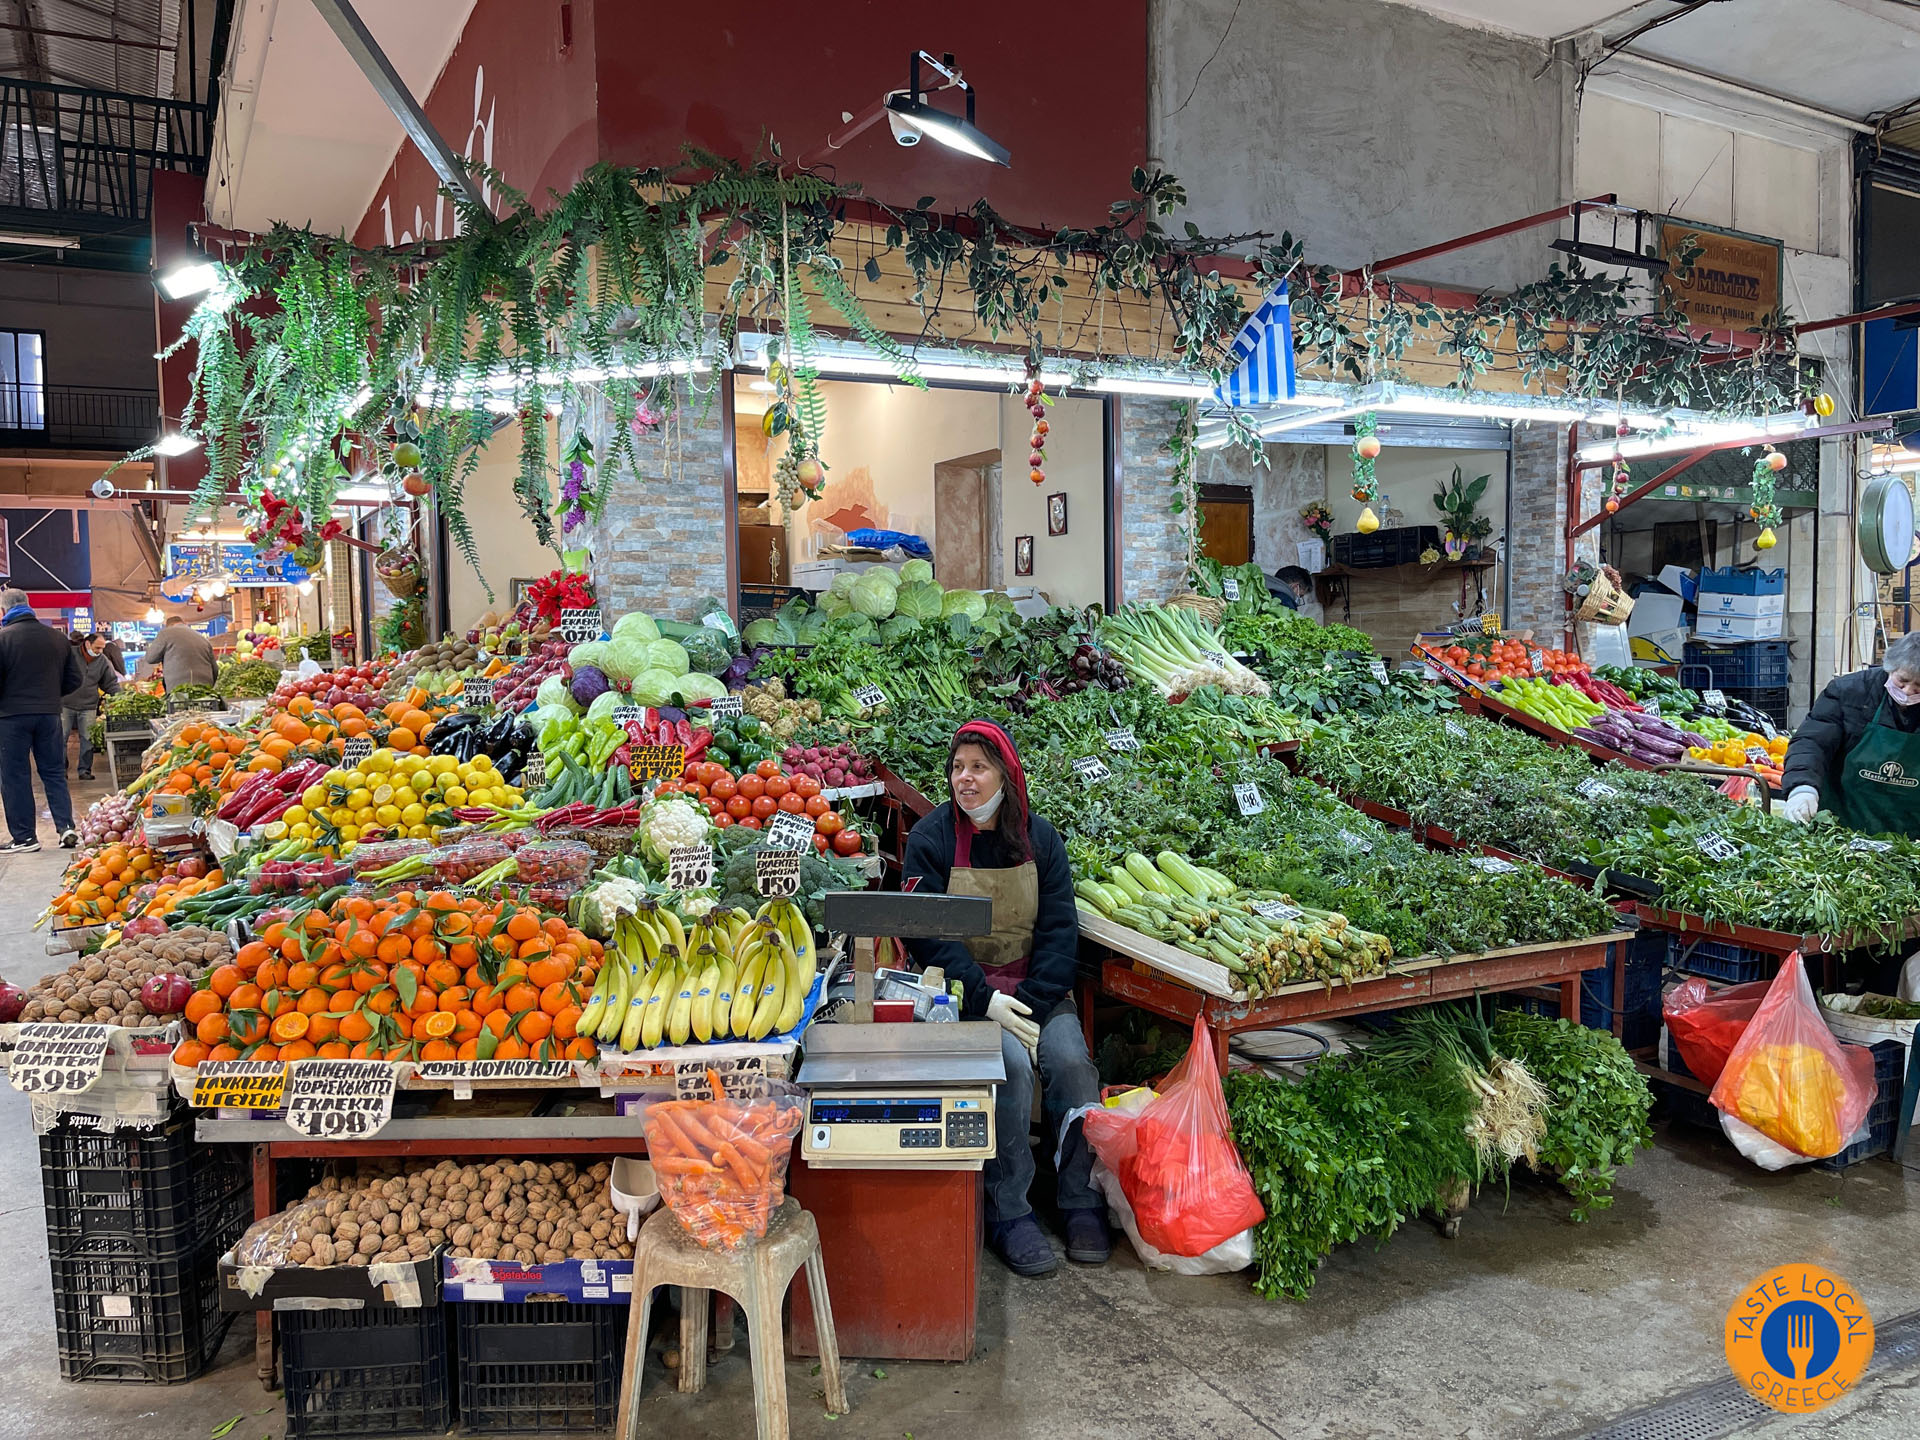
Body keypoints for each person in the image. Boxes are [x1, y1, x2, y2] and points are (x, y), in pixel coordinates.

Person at [901, 720, 1107, 1276]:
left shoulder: (1042, 840)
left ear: (1005, 775)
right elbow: (925, 934)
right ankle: (1009, 1210)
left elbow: (1061, 931)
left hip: (1039, 991)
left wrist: (1035, 1005)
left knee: (1069, 1064)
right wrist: (985, 999)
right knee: (1010, 1070)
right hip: (965, 997)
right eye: (957, 767)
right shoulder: (931, 839)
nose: (964, 779)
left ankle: (1077, 1199)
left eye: (978, 767)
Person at [1781, 632, 1920, 837]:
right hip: (1841, 831)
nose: (1908, 691)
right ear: (1890, 667)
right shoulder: (1849, 692)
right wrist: (1803, 787)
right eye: (1902, 681)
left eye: (1919, 687)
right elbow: (1812, 742)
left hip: (1910, 840)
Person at [0, 589, 82, 851]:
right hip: (49, 715)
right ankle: (66, 827)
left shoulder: (3, 639)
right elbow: (75, 679)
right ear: (28, 605)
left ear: (4, 610)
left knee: (15, 775)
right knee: (54, 771)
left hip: (11, 718)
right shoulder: (57, 639)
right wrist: (49, 696)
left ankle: (25, 837)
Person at [62, 631, 120, 781]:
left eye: (102, 648)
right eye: (97, 648)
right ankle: (61, 769)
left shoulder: (102, 660)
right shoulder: (69, 655)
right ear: (87, 644)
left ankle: (84, 770)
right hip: (65, 704)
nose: (100, 652)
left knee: (88, 739)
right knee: (60, 738)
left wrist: (120, 697)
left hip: (88, 705)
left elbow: (110, 682)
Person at [137, 613, 216, 690]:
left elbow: (150, 658)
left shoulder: (165, 633)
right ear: (184, 623)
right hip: (205, 690)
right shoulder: (202, 638)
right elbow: (215, 669)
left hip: (178, 690)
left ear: (168, 626)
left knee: (180, 702)